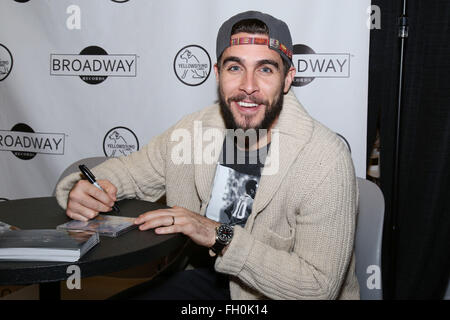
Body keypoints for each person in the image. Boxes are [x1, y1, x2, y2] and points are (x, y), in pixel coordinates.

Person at [56, 10, 359, 300]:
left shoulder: (325, 159)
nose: (248, 87)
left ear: (288, 78)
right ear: (217, 73)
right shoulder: (195, 130)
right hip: (204, 281)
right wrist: (85, 191)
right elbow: (127, 173)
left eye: (265, 69)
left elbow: (318, 287)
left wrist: (218, 234)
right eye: (235, 67)